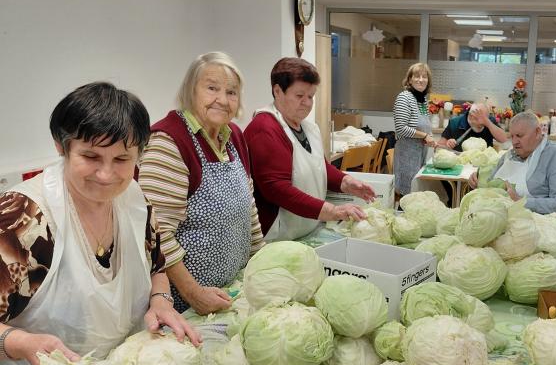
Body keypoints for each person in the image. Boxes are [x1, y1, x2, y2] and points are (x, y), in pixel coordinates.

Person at [0, 82, 201, 365]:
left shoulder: (135, 201)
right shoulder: (24, 219)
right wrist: (22, 342)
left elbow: (156, 266)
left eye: (123, 159)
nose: (107, 174)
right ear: (62, 147)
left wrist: (160, 300)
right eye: (90, 157)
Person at [139, 52, 263, 314]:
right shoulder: (170, 141)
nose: (222, 99)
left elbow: (249, 209)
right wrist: (193, 293)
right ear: (190, 90)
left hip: (231, 290)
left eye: (231, 92)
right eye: (211, 88)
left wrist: (261, 264)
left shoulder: (234, 137)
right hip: (185, 304)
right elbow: (157, 234)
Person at [245, 58, 375, 241]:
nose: (307, 103)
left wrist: (346, 182)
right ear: (277, 91)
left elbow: (319, 167)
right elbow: (277, 189)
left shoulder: (308, 127)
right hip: (279, 237)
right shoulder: (265, 128)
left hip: (306, 228)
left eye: (311, 96)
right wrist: (333, 211)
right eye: (299, 96)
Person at [469, 110, 556, 214]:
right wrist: (478, 179)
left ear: (537, 132)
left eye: (520, 136)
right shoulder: (509, 155)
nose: (515, 142)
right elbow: (491, 183)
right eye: (512, 136)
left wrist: (522, 202)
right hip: (498, 220)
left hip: (534, 226)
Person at [393, 62, 435, 196]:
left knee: (416, 192)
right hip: (407, 155)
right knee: (408, 194)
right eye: (417, 76)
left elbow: (425, 124)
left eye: (424, 77)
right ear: (410, 79)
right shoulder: (404, 97)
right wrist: (424, 136)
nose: (421, 80)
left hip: (419, 153)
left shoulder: (422, 100)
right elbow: (401, 129)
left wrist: (430, 137)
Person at [438, 103, 507, 151]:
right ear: (471, 116)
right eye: (478, 119)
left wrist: (488, 123)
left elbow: (503, 139)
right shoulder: (455, 123)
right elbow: (438, 147)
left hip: (483, 164)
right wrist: (448, 145)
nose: (482, 123)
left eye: (485, 119)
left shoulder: (489, 121)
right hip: (461, 165)